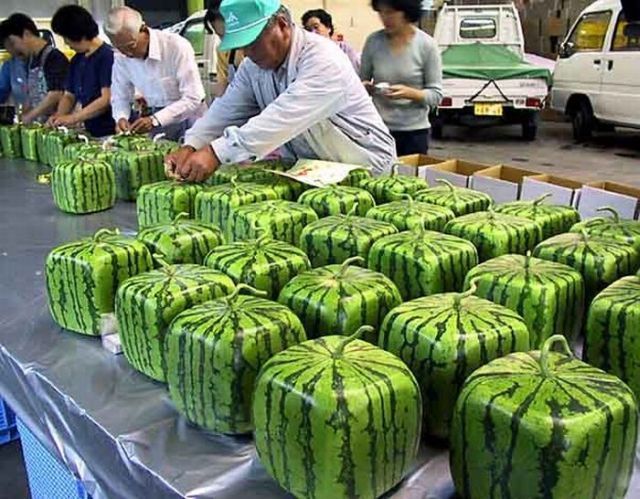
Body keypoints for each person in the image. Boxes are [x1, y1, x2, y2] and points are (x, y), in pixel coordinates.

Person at [166, 0, 396, 183]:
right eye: (242, 46)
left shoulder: (323, 59)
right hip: (315, 174)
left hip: (365, 171)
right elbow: (225, 110)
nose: (247, 53)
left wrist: (216, 153)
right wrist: (192, 144)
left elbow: (281, 117)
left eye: (253, 43)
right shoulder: (252, 67)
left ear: (283, 25)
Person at [105, 6, 207, 141]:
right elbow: (120, 96)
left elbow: (194, 97)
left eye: (131, 46)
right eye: (119, 48)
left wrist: (155, 119)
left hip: (190, 117)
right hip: (155, 120)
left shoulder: (175, 46)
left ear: (143, 29)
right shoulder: (121, 56)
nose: (127, 53)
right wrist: (121, 117)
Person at [360, 0, 442, 156]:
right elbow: (361, 83)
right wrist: (366, 88)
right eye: (381, 12)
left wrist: (410, 93)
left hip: (414, 133)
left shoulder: (427, 45)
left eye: (390, 12)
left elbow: (436, 96)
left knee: (409, 178)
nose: (385, 18)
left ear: (406, 12)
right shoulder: (373, 41)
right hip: (379, 129)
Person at [49, 5, 115, 137]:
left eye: (66, 37)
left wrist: (73, 118)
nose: (66, 43)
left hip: (110, 131)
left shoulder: (107, 56)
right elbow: (69, 95)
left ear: (78, 33)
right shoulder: (76, 60)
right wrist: (58, 117)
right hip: (90, 132)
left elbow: (106, 99)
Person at [0, 13, 69, 124]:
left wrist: (31, 115)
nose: (13, 50)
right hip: (42, 125)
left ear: (26, 33)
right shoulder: (32, 60)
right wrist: (26, 109)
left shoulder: (54, 57)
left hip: (57, 124)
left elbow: (56, 93)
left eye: (13, 43)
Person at [205, 0, 245, 97]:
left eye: (230, 36)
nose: (226, 42)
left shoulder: (261, 50)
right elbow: (221, 88)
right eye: (220, 36)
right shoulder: (223, 51)